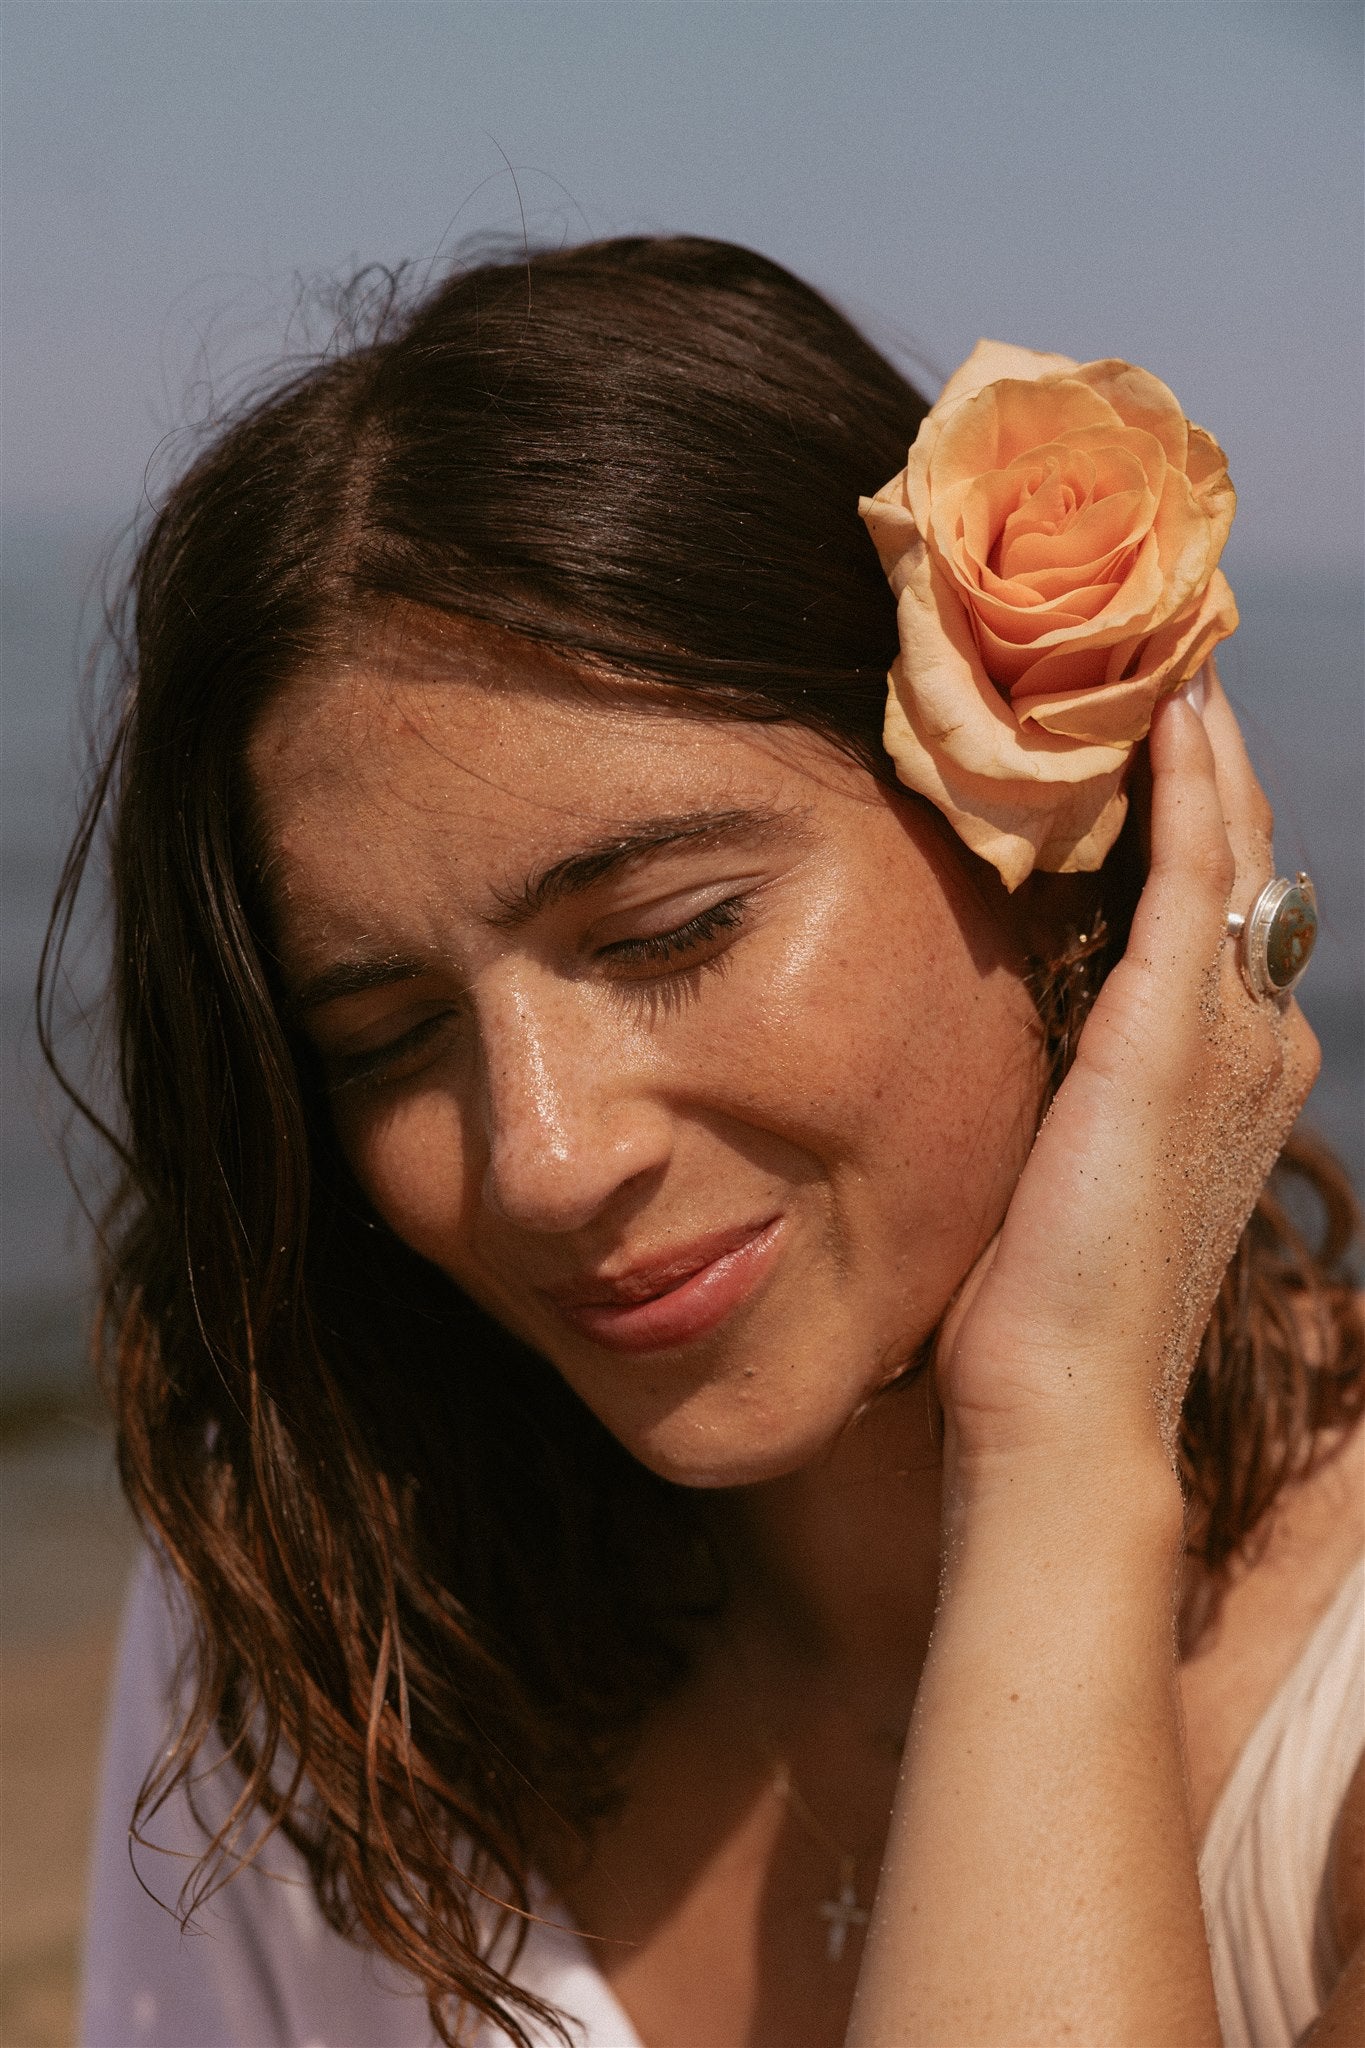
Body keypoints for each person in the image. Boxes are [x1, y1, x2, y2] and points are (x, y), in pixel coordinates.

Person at [55, 237, 1362, 2048]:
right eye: (383, 1038)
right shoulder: (321, 1641)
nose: (540, 1160)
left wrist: (1061, 1452)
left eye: (669, 929)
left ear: (1054, 824)